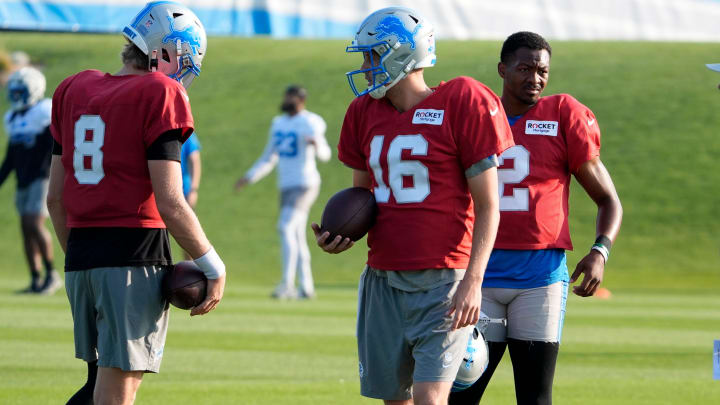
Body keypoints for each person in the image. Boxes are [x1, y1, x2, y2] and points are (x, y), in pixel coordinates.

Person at [312, 7, 514, 404]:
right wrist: (343, 234)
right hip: (383, 279)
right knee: (395, 399)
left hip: (443, 279)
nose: (366, 66)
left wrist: (473, 281)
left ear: (401, 54)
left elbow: (489, 204)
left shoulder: (462, 100)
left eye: (372, 56)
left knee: (430, 398)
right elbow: (363, 202)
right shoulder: (362, 113)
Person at [47, 2, 226, 404]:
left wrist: (83, 257)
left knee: (96, 388)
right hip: (133, 256)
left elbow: (55, 199)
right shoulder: (161, 91)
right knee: (116, 396)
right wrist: (214, 265)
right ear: (165, 51)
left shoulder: (73, 88)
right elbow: (170, 201)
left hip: (81, 257)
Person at [448, 31, 623, 405]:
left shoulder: (563, 114)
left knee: (534, 396)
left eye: (542, 70)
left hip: (539, 277)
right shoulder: (476, 115)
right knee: (462, 393)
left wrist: (600, 251)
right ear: (502, 68)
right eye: (524, 68)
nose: (534, 78)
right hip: (480, 274)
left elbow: (609, 200)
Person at [235, 85, 330, 299]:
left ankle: (287, 285)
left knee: (285, 227)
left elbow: (325, 154)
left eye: (291, 97)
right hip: (286, 185)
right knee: (296, 234)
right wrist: (250, 176)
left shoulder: (311, 121)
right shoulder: (278, 123)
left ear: (301, 99)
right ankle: (307, 287)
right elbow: (269, 156)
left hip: (305, 183)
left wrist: (316, 144)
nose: (286, 100)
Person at [1, 66, 60, 294]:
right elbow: (11, 157)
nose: (16, 96)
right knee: (25, 228)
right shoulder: (13, 117)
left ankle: (51, 274)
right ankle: (36, 278)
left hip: (42, 177)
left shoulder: (44, 111)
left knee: (33, 224)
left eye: (20, 91)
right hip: (23, 180)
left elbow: (55, 145)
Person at [180, 131, 201, 260]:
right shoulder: (185, 132)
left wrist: (193, 189)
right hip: (181, 190)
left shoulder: (188, 135)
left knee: (187, 233)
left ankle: (189, 265)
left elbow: (194, 160)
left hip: (183, 191)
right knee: (187, 233)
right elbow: (194, 160)